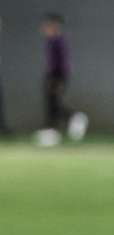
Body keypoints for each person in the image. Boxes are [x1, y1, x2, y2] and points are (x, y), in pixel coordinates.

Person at [36, 13, 87, 145]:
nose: (44, 29)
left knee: (53, 104)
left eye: (47, 26)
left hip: (57, 76)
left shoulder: (58, 41)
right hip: (53, 75)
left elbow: (61, 63)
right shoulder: (52, 41)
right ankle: (52, 132)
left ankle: (72, 117)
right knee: (52, 104)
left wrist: (56, 79)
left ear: (54, 26)